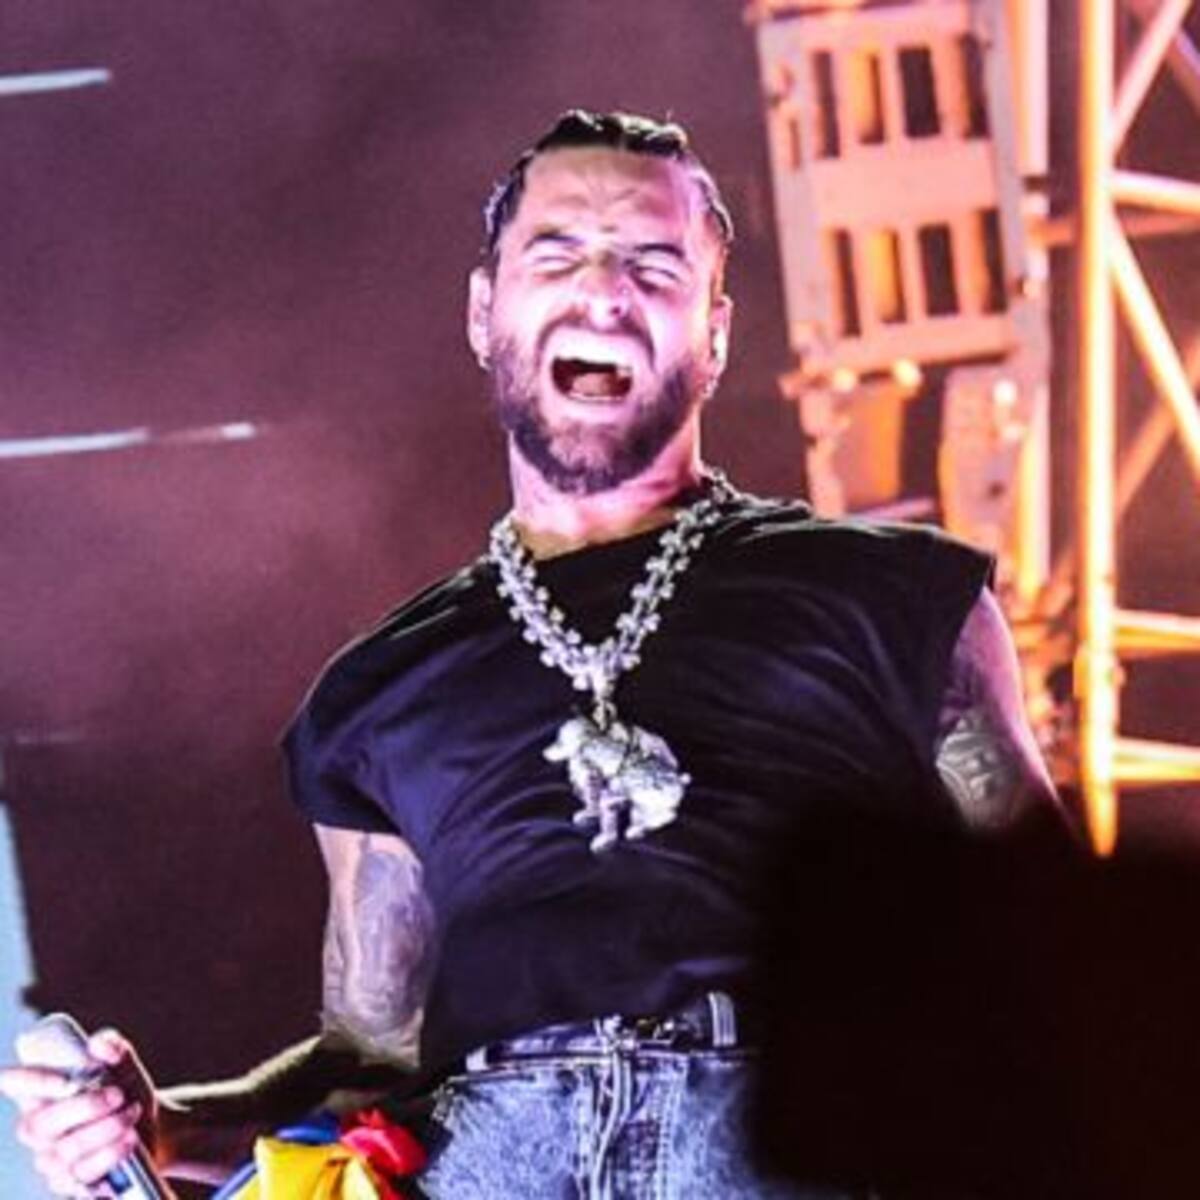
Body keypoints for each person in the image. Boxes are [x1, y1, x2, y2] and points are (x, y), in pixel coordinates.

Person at [0, 110, 1062, 1199]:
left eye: (653, 265)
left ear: (715, 333)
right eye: (556, 256)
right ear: (483, 313)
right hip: (492, 1153)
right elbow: (369, 1061)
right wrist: (165, 1124)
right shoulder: (383, 693)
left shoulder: (893, 597)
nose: (602, 293)